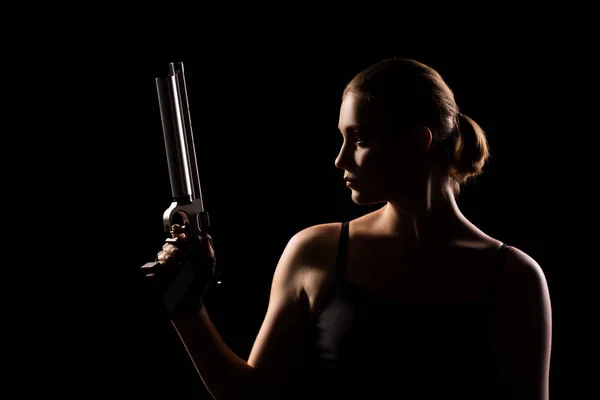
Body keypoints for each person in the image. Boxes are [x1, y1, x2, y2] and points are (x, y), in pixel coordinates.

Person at [155, 57, 552, 399]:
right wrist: (186, 307)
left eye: (359, 139)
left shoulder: (515, 278)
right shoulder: (317, 252)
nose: (340, 159)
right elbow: (251, 396)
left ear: (417, 141)